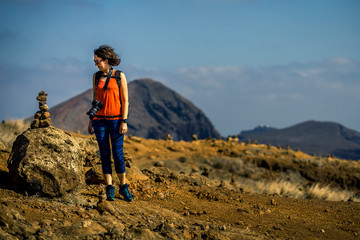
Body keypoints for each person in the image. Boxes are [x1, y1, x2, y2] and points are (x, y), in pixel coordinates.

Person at [87, 45, 133, 202]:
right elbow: (95, 98)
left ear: (106, 60)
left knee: (118, 155)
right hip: (99, 121)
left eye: (97, 61)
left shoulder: (120, 76)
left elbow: (126, 100)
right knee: (104, 154)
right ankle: (109, 189)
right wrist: (90, 121)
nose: (95, 64)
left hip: (116, 121)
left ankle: (124, 187)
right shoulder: (96, 77)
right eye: (94, 61)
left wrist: (124, 121)